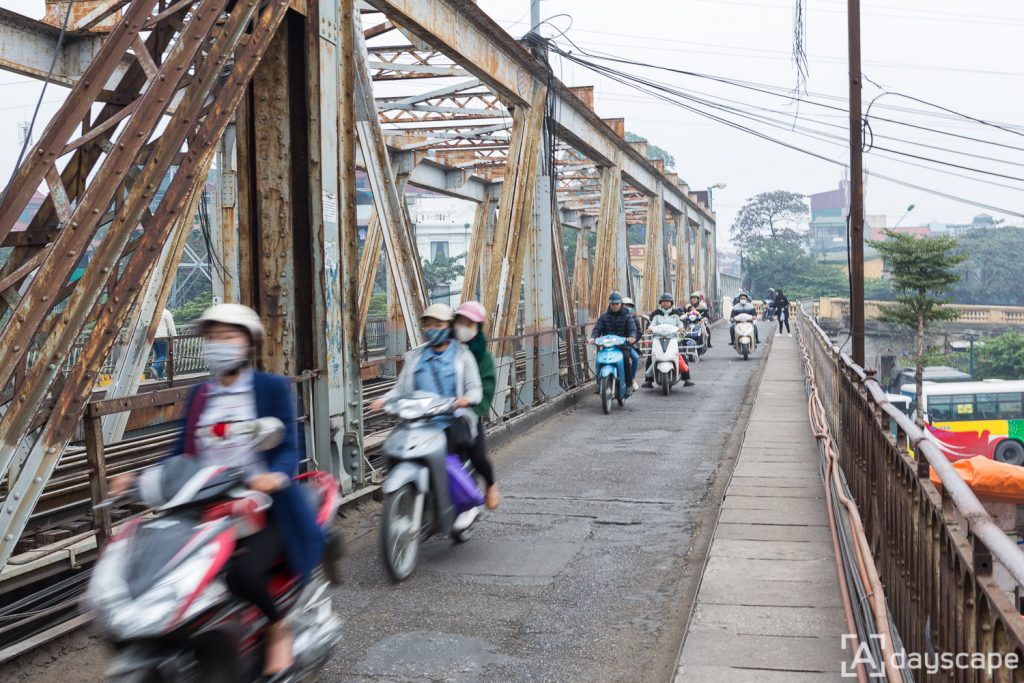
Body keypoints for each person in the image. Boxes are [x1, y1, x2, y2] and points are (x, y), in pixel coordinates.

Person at [110, 303, 323, 676]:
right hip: (202, 505)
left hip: (260, 504)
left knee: (244, 573)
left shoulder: (271, 387)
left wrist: (274, 476)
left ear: (248, 344)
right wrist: (139, 477)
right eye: (212, 338)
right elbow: (180, 453)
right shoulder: (200, 395)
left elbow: (289, 446)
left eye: (229, 337)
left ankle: (277, 629)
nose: (218, 345)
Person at [370, 304, 482, 453]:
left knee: (451, 465)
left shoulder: (462, 355)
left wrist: (466, 399)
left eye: (438, 324)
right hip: (418, 425)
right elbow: (400, 389)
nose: (432, 329)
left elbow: (474, 389)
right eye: (427, 325)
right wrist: (383, 400)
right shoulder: (415, 357)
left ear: (449, 327)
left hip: (449, 422)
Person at [452, 301, 500, 510]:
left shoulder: (483, 357)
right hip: (441, 411)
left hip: (469, 413)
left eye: (469, 324)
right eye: (460, 322)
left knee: (477, 455)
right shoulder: (447, 347)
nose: (463, 327)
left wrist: (472, 407)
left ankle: (490, 484)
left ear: (477, 327)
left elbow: (486, 387)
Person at [587, 291, 639, 397]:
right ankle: (598, 382)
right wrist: (593, 338)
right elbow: (598, 328)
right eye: (612, 304)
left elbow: (632, 329)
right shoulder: (604, 317)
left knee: (625, 359)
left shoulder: (628, 316)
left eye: (617, 304)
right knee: (599, 359)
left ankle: (629, 384)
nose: (614, 306)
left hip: (622, 346)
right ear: (609, 304)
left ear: (621, 304)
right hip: (608, 346)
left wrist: (632, 337)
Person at [621, 297, 643, 391]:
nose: (627, 307)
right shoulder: (615, 317)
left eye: (630, 306)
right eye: (625, 305)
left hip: (629, 345)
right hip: (615, 344)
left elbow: (638, 333)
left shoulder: (634, 318)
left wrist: (632, 340)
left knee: (635, 358)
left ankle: (632, 378)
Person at [151, 307, 177, 379]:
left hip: (153, 337)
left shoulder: (153, 311)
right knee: (163, 356)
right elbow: (171, 326)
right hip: (162, 337)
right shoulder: (166, 312)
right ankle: (154, 367)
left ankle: (159, 376)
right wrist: (175, 336)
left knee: (158, 356)